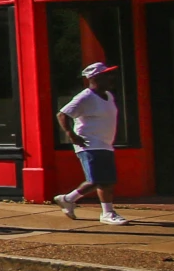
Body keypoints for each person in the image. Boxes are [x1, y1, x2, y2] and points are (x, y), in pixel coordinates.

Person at [54, 61, 127, 225]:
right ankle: (107, 213)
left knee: (102, 179)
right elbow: (62, 115)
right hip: (89, 143)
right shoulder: (85, 97)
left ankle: (67, 199)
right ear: (95, 78)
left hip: (105, 143)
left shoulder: (108, 96)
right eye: (107, 75)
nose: (111, 78)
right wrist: (71, 135)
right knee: (101, 180)